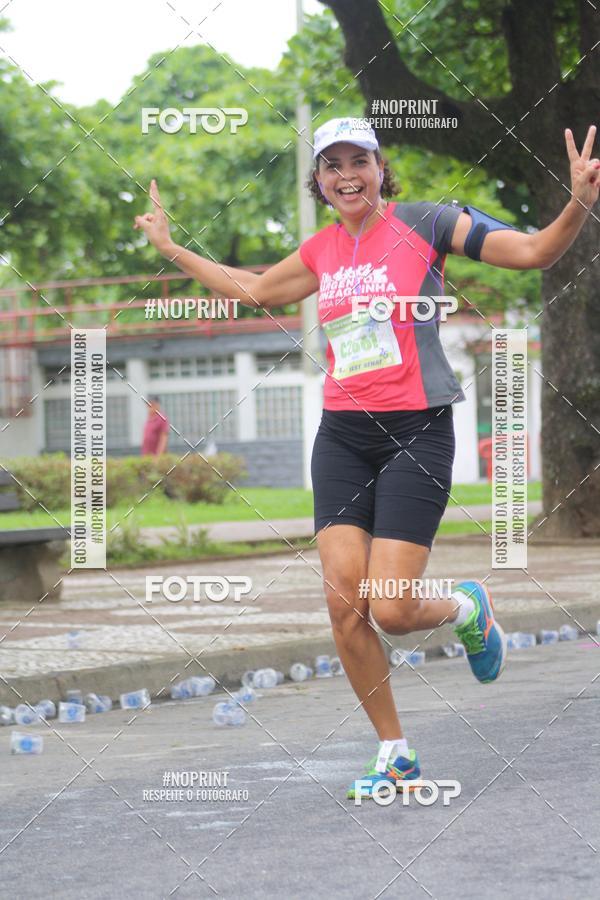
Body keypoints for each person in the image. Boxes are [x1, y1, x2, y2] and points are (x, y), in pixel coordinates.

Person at [133, 117, 600, 799]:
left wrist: (579, 202)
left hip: (418, 431)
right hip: (344, 438)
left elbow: (532, 253)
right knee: (343, 603)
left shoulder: (431, 222)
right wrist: (173, 248)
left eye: (360, 160)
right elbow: (256, 290)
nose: (347, 174)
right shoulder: (322, 249)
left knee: (393, 608)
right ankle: (395, 750)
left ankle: (467, 609)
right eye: (332, 165)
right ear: (319, 181)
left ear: (382, 167)